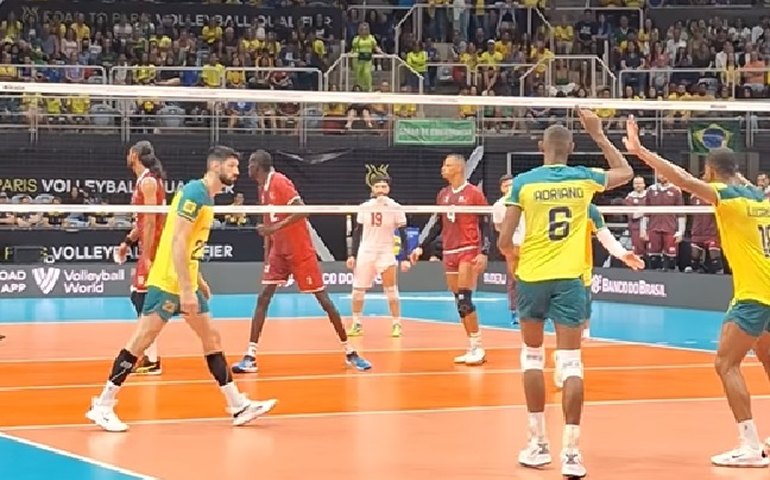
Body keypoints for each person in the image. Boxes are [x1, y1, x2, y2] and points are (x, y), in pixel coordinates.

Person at [87, 146, 277, 432]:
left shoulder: (207, 198)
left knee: (211, 337)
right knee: (140, 341)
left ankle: (237, 405)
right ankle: (103, 405)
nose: (237, 172)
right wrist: (187, 290)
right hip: (169, 282)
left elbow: (190, 247)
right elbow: (177, 241)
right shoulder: (194, 194)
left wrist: (197, 280)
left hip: (185, 279)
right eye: (232, 166)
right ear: (216, 167)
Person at [624, 117, 770, 467]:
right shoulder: (758, 195)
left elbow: (681, 179)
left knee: (725, 363)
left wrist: (641, 151)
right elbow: (735, 179)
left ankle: (750, 446)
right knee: (767, 361)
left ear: (710, 170)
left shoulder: (726, 196)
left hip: (753, 294)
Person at [497, 110, 633, 478]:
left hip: (533, 278)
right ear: (571, 148)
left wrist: (517, 256)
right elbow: (626, 173)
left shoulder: (523, 183)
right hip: (571, 280)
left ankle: (538, 444)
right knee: (571, 364)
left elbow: (503, 241)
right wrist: (601, 136)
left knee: (531, 358)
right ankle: (571, 453)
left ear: (542, 148)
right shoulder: (583, 179)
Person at [232, 150, 371, 373]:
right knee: (263, 297)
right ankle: (250, 355)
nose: (247, 168)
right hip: (279, 251)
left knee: (324, 301)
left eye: (250, 164)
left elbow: (302, 209)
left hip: (299, 251)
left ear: (258, 165)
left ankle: (350, 351)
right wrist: (268, 251)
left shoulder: (279, 181)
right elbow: (269, 221)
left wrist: (273, 228)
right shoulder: (262, 188)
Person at [409, 154, 491, 366]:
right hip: (450, 251)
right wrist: (420, 246)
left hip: (468, 249)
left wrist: (484, 251)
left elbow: (485, 223)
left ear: (458, 168)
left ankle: (477, 346)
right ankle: (471, 345)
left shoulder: (473, 194)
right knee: (458, 301)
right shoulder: (443, 194)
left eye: (447, 165)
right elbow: (438, 224)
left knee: (465, 298)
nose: (443, 168)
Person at [553, 203, 644, 388]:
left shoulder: (588, 209)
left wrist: (622, 254)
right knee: (549, 319)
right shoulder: (545, 201)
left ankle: (565, 359)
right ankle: (562, 356)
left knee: (572, 318)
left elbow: (605, 235)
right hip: (548, 268)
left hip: (579, 270)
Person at [114, 140, 166, 375]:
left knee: (142, 300)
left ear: (134, 155)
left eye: (128, 153)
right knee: (140, 298)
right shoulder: (144, 181)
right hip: (149, 245)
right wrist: (127, 242)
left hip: (155, 247)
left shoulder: (147, 182)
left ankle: (152, 359)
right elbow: (142, 221)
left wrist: (146, 255)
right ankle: (150, 356)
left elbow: (153, 220)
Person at [346, 174, 411, 338]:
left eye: (384, 186)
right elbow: (357, 232)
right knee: (358, 290)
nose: (380, 190)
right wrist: (352, 255)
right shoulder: (364, 207)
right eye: (377, 187)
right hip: (366, 251)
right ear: (372, 189)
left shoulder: (396, 207)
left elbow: (403, 234)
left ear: (388, 189)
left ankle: (396, 324)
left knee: (391, 290)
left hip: (386, 251)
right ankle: (356, 323)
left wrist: (405, 257)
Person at [492, 174, 525, 326]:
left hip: (529, 244)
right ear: (501, 189)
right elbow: (498, 226)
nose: (509, 188)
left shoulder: (525, 200)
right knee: (514, 279)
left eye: (512, 184)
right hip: (512, 246)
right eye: (506, 185)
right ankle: (514, 312)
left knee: (536, 278)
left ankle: (540, 311)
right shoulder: (498, 206)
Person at [642, 172, 684, 271]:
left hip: (670, 228)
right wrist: (643, 229)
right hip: (654, 227)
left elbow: (681, 213)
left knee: (671, 255)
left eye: (665, 173)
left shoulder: (676, 190)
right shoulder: (651, 190)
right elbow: (646, 212)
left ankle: (671, 277)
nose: (663, 175)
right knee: (653, 255)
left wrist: (681, 231)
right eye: (661, 174)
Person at [624, 176, 647, 260]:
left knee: (652, 250)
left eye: (640, 183)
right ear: (633, 185)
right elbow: (632, 215)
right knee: (638, 251)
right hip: (636, 228)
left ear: (644, 184)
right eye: (636, 183)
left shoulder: (649, 196)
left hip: (650, 227)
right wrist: (646, 212)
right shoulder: (629, 198)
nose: (638, 185)